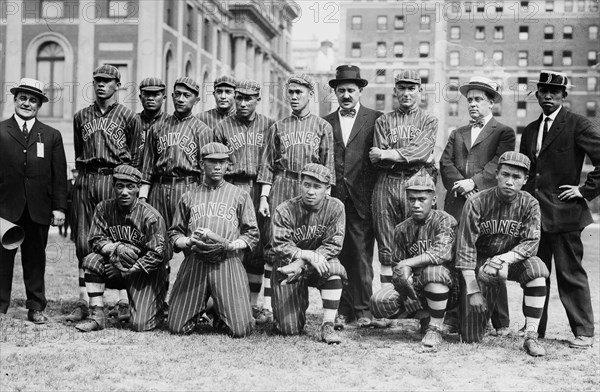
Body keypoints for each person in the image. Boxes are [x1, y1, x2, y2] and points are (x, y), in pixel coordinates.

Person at [519, 70, 600, 349]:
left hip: (566, 214)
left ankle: (583, 331)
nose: (548, 96)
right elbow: (526, 173)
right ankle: (533, 329)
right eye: (543, 91)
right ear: (537, 94)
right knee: (534, 272)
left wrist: (585, 191)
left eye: (555, 92)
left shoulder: (577, 124)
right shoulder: (529, 130)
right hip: (534, 217)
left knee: (570, 274)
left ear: (564, 95)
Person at [439, 76, 515, 336]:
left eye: (478, 99)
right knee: (457, 259)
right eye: (469, 99)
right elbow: (445, 163)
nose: (472, 104)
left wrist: (475, 184)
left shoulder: (503, 132)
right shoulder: (457, 133)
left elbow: (499, 165)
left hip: (487, 206)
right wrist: (460, 184)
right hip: (458, 204)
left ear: (491, 102)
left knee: (489, 259)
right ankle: (452, 316)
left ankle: (500, 320)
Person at [257, 74, 335, 321]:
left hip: (309, 186)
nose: (293, 96)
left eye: (298, 92)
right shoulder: (278, 126)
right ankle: (269, 306)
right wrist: (263, 197)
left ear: (310, 95)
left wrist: (326, 196)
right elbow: (268, 165)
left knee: (308, 240)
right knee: (274, 243)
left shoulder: (323, 126)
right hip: (283, 182)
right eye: (290, 92)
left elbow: (328, 165)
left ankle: (312, 305)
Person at [68, 64, 142, 323]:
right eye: (97, 80)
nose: (101, 84)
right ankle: (84, 300)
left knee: (118, 235)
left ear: (117, 85)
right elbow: (79, 151)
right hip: (87, 177)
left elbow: (134, 156)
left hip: (114, 178)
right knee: (83, 239)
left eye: (107, 81)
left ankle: (122, 300)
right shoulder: (81, 116)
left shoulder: (128, 116)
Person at [456, 151, 548, 357]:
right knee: (470, 337)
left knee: (537, 269)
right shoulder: (476, 202)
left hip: (510, 258)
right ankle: (470, 317)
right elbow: (465, 249)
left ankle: (531, 335)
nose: (509, 181)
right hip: (481, 264)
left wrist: (504, 259)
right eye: (505, 174)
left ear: (525, 180)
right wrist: (473, 291)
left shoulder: (530, 203)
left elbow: (531, 243)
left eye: (516, 177)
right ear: (496, 174)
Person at [167, 142, 259, 337]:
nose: (217, 167)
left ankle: (218, 308)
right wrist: (188, 241)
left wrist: (231, 244)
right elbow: (174, 234)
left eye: (222, 162)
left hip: (226, 261)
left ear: (228, 165)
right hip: (196, 260)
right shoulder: (188, 196)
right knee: (176, 327)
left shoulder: (240, 195)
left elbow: (252, 234)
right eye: (212, 162)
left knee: (241, 329)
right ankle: (208, 306)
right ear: (202, 164)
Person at [0, 78, 68, 323]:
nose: (27, 103)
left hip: (38, 209)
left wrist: (59, 207)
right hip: (5, 210)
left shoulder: (51, 135)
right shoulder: (1, 130)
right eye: (23, 98)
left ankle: (36, 307)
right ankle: (1, 307)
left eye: (33, 100)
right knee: (2, 261)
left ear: (39, 105)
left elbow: (59, 175)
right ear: (15, 100)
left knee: (35, 259)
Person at [75, 165, 171, 332]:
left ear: (138, 188)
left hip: (145, 273)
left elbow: (157, 255)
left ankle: (158, 306)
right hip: (115, 265)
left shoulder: (151, 216)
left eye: (130, 186)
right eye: (120, 186)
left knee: (139, 325)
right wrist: (116, 248)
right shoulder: (103, 208)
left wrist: (125, 270)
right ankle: (97, 315)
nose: (124, 192)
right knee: (90, 260)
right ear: (113, 187)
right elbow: (96, 240)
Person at [322, 65, 383, 329]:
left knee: (361, 257)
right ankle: (343, 308)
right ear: (335, 92)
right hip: (335, 200)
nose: (346, 95)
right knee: (339, 254)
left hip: (362, 198)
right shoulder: (325, 122)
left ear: (360, 91)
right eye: (341, 91)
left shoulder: (376, 119)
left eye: (351, 90)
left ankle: (364, 309)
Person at [369, 70, 439, 292]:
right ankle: (388, 302)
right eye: (402, 88)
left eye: (412, 88)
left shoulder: (429, 119)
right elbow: (375, 159)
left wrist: (387, 154)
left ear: (420, 91)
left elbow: (421, 150)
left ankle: (417, 305)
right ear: (395, 91)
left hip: (416, 184)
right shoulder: (383, 120)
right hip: (386, 183)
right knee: (387, 245)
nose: (406, 93)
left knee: (419, 241)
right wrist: (390, 156)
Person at [370, 174, 458, 347]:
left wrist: (409, 263)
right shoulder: (402, 228)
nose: (415, 204)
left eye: (421, 199)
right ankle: (424, 317)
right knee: (379, 302)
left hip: (449, 286)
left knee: (433, 272)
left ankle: (436, 328)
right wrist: (406, 292)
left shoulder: (445, 220)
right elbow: (397, 266)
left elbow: (441, 253)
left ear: (433, 200)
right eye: (411, 199)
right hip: (417, 287)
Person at [214, 80, 275, 323]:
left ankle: (252, 305)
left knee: (257, 248)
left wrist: (264, 196)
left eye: (248, 98)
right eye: (239, 98)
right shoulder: (223, 126)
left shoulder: (269, 124)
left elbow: (270, 163)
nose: (242, 103)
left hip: (258, 187)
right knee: (230, 244)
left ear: (257, 99)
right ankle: (226, 304)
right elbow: (214, 164)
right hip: (232, 186)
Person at [270, 163, 346, 344]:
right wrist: (307, 255)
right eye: (307, 185)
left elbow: (334, 244)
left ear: (327, 189)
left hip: (317, 264)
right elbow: (279, 246)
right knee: (289, 329)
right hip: (288, 267)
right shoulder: (285, 209)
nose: (311, 191)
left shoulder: (336, 207)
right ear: (300, 184)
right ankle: (283, 312)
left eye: (317, 187)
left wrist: (305, 262)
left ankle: (328, 324)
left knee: (334, 268)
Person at [134, 77, 168, 168]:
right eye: (147, 94)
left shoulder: (170, 123)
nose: (150, 98)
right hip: (134, 175)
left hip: (161, 177)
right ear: (140, 98)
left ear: (164, 98)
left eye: (155, 95)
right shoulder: (132, 121)